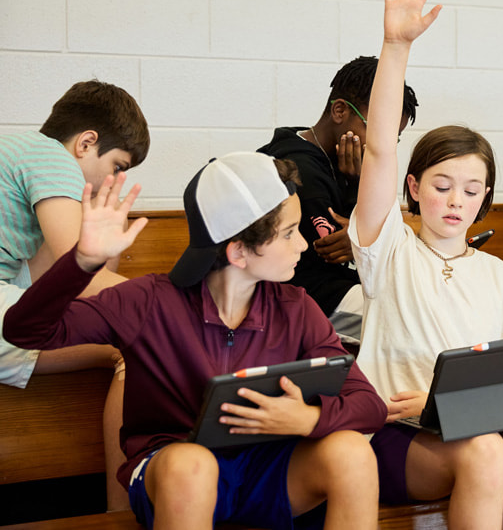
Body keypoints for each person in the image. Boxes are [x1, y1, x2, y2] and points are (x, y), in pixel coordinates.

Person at [3, 153, 387, 530]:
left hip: (266, 469)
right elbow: (25, 332)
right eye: (289, 233)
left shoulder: (297, 307)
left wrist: (309, 418)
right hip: (174, 472)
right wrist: (82, 261)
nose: (303, 245)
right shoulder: (146, 301)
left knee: (352, 453)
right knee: (192, 466)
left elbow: (368, 405)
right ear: (238, 251)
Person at [348, 0, 503, 529]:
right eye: (441, 186)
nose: (455, 202)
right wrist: (395, 47)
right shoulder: (389, 248)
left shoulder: (499, 276)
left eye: (471, 191)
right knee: (488, 450)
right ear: (415, 188)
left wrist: (448, 406)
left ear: (486, 197)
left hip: (468, 425)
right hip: (399, 434)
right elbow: (378, 152)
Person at [0, 79, 150, 509]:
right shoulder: (51, 158)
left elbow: (76, 276)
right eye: (118, 166)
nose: (116, 179)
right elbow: (78, 272)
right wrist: (175, 307)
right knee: (130, 348)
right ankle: (119, 513)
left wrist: (102, 219)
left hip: (8, 288)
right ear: (86, 143)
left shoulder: (24, 153)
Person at [258, 56, 420, 343]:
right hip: (308, 297)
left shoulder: (348, 164)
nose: (382, 143)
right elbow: (333, 249)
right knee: (410, 321)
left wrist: (358, 187)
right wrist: (363, 237)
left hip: (345, 287)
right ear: (340, 111)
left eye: (392, 137)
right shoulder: (298, 166)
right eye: (377, 128)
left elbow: (363, 239)